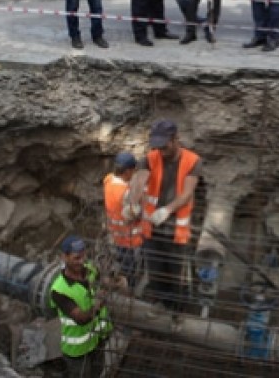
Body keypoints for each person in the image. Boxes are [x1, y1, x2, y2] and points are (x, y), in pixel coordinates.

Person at [129, 119, 202, 329]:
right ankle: (161, 302)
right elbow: (140, 180)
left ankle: (178, 313)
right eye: (157, 145)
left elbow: (187, 194)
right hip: (151, 228)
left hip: (176, 230)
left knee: (177, 274)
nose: (160, 150)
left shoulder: (192, 161)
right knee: (156, 270)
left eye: (164, 145)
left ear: (175, 139)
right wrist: (133, 201)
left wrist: (166, 210)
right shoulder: (151, 158)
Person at [49, 235, 113, 378]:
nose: (82, 261)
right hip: (77, 349)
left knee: (97, 372)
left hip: (97, 339)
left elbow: (102, 281)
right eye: (76, 258)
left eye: (84, 256)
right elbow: (81, 318)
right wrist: (99, 302)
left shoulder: (89, 269)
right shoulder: (59, 290)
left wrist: (114, 282)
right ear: (64, 257)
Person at [103, 152, 144, 292]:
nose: (134, 173)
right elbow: (135, 214)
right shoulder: (125, 192)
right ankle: (130, 288)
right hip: (130, 238)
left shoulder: (108, 180)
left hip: (116, 234)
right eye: (133, 170)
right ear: (127, 171)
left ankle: (125, 280)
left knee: (123, 260)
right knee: (131, 265)